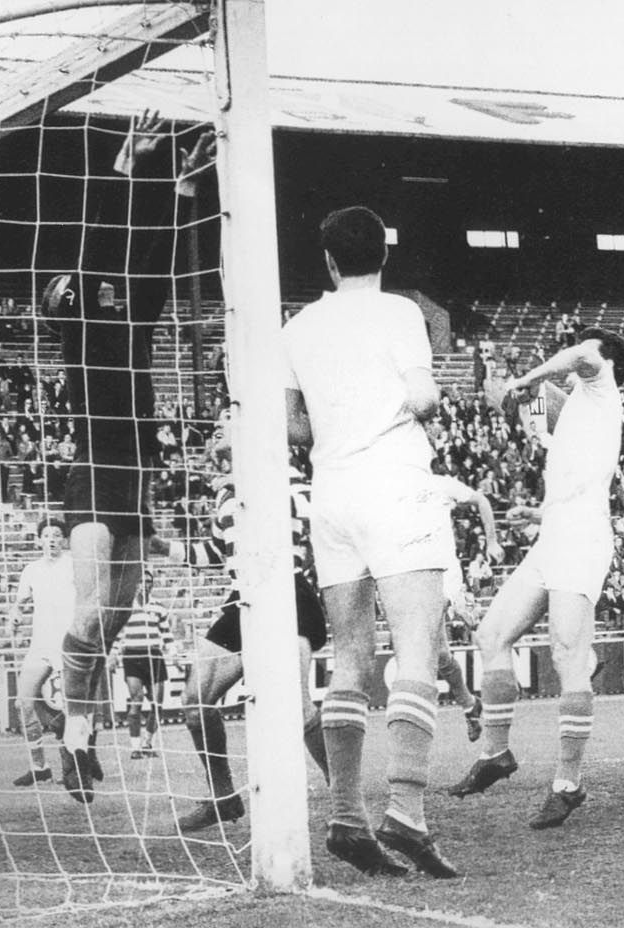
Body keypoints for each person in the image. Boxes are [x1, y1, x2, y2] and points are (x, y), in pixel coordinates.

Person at [43, 113, 215, 803]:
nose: (82, 285)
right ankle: (75, 737)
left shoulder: (130, 318)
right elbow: (99, 247)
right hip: (92, 476)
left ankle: (80, 734)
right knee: (88, 614)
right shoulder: (80, 333)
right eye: (70, 288)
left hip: (135, 477)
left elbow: (154, 264)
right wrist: (122, 169)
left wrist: (175, 189)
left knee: (112, 622)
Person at [281, 205, 457, 879]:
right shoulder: (399, 313)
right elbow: (424, 399)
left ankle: (347, 817)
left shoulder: (295, 326)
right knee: (416, 644)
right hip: (395, 482)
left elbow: (293, 427)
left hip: (333, 495)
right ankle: (407, 813)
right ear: (383, 255)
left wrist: (339, 416)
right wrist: (414, 397)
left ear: (327, 260)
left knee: (349, 656)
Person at [449, 328, 624, 831]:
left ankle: (569, 784)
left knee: (567, 655)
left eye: (586, 354)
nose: (575, 360)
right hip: (555, 534)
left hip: (581, 537)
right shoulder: (579, 410)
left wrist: (526, 379)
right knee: (491, 635)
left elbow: (576, 356)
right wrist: (537, 513)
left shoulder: (601, 384)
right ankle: (496, 754)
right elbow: (538, 418)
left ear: (604, 360)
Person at [173, 437, 331, 834]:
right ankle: (223, 798)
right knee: (195, 702)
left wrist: (243, 482)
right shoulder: (225, 493)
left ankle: (344, 791)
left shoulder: (280, 463)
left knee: (296, 705)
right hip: (242, 598)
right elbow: (214, 552)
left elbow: (304, 509)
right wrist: (159, 545)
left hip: (286, 588)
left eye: (227, 419)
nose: (218, 430)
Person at [425, 473, 502, 742]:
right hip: (417, 578)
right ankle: (470, 706)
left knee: (426, 650)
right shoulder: (392, 485)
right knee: (440, 656)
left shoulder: (441, 483)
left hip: (446, 576)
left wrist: (491, 540)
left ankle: (501, 679)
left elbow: (481, 499)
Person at [11, 518, 76, 786]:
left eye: (57, 535)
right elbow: (19, 603)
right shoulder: (32, 570)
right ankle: (40, 767)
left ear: (64, 540)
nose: (51, 539)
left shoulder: (74, 564)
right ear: (39, 540)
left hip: (68, 645)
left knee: (71, 709)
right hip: (40, 645)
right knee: (23, 703)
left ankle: (72, 769)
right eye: (47, 535)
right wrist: (14, 615)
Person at [115, 573, 177, 760]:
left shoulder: (158, 607)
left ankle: (147, 743)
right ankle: (134, 747)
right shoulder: (125, 607)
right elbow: (118, 634)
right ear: (135, 585)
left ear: (152, 585)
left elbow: (166, 633)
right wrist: (114, 654)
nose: (144, 585)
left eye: (148, 582)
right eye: (140, 581)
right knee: (137, 699)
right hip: (133, 655)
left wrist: (173, 653)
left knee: (157, 704)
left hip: (154, 656)